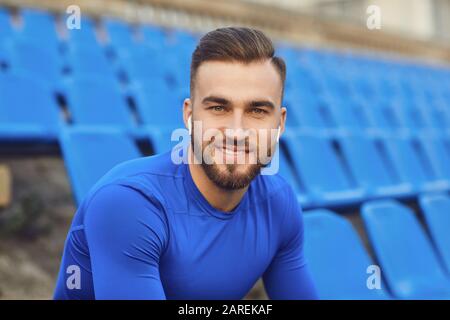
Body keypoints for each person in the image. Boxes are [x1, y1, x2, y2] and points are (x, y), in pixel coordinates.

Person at [53, 27, 318, 300]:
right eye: (218, 108)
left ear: (281, 122)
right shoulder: (127, 203)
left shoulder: (278, 202)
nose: (237, 132)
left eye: (257, 111)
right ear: (189, 115)